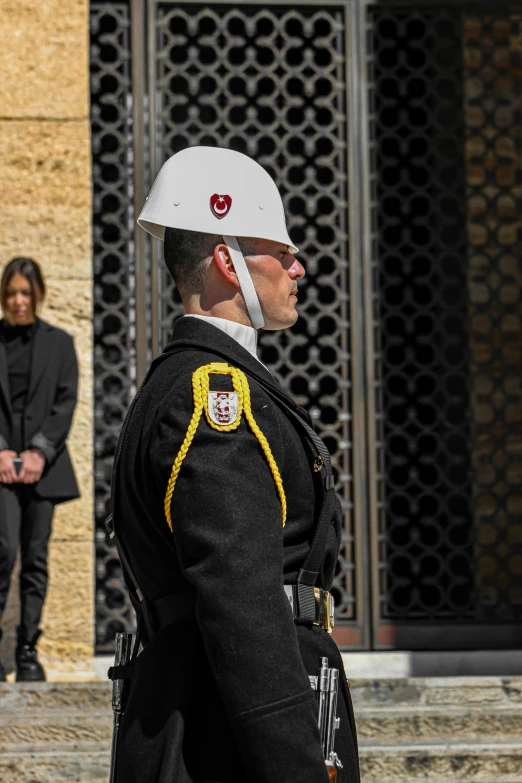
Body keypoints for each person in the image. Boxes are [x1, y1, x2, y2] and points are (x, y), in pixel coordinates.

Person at [111, 147, 360, 782]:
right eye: (282, 251)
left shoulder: (188, 384)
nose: (298, 266)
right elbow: (242, 604)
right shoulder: (213, 398)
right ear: (229, 261)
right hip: (227, 741)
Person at [0, 257, 80, 682]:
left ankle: (27, 650)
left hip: (42, 469)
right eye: (11, 292)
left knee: (35, 559)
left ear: (38, 295)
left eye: (25, 293)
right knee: (3, 550)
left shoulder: (60, 343)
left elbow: (64, 404)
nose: (17, 301)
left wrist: (37, 451)